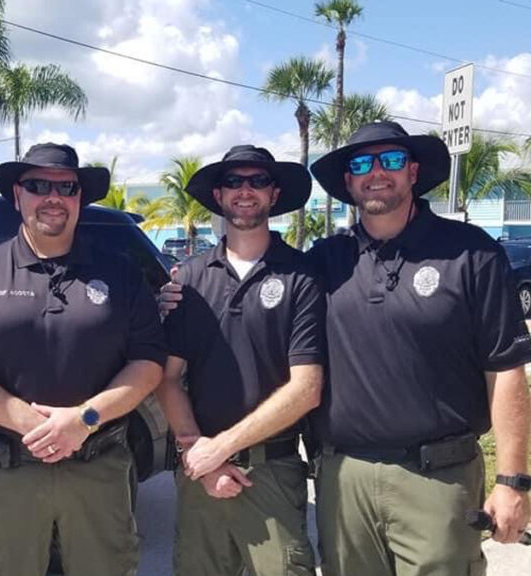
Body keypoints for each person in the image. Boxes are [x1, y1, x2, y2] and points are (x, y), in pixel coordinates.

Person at [0, 143, 166, 576]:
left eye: (66, 186)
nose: (52, 197)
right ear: (18, 196)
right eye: (38, 186)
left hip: (100, 465)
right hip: (9, 468)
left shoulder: (119, 272)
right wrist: (28, 422)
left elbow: (148, 363)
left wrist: (83, 420)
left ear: (79, 197)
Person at [306, 121, 531, 575]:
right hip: (343, 479)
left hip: (438, 480)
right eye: (361, 163)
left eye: (390, 160)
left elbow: (505, 370)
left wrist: (513, 480)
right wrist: (177, 295)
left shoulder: (471, 253)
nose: (376, 173)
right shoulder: (323, 260)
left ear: (412, 171)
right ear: (348, 181)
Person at [155, 145, 324, 576]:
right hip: (198, 470)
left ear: (274, 193)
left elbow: (306, 388)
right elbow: (169, 379)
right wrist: (198, 452)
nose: (245, 191)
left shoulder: (302, 276)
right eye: (234, 181)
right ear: (218, 195)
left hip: (273, 470)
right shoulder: (188, 279)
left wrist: (221, 450)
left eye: (257, 181)